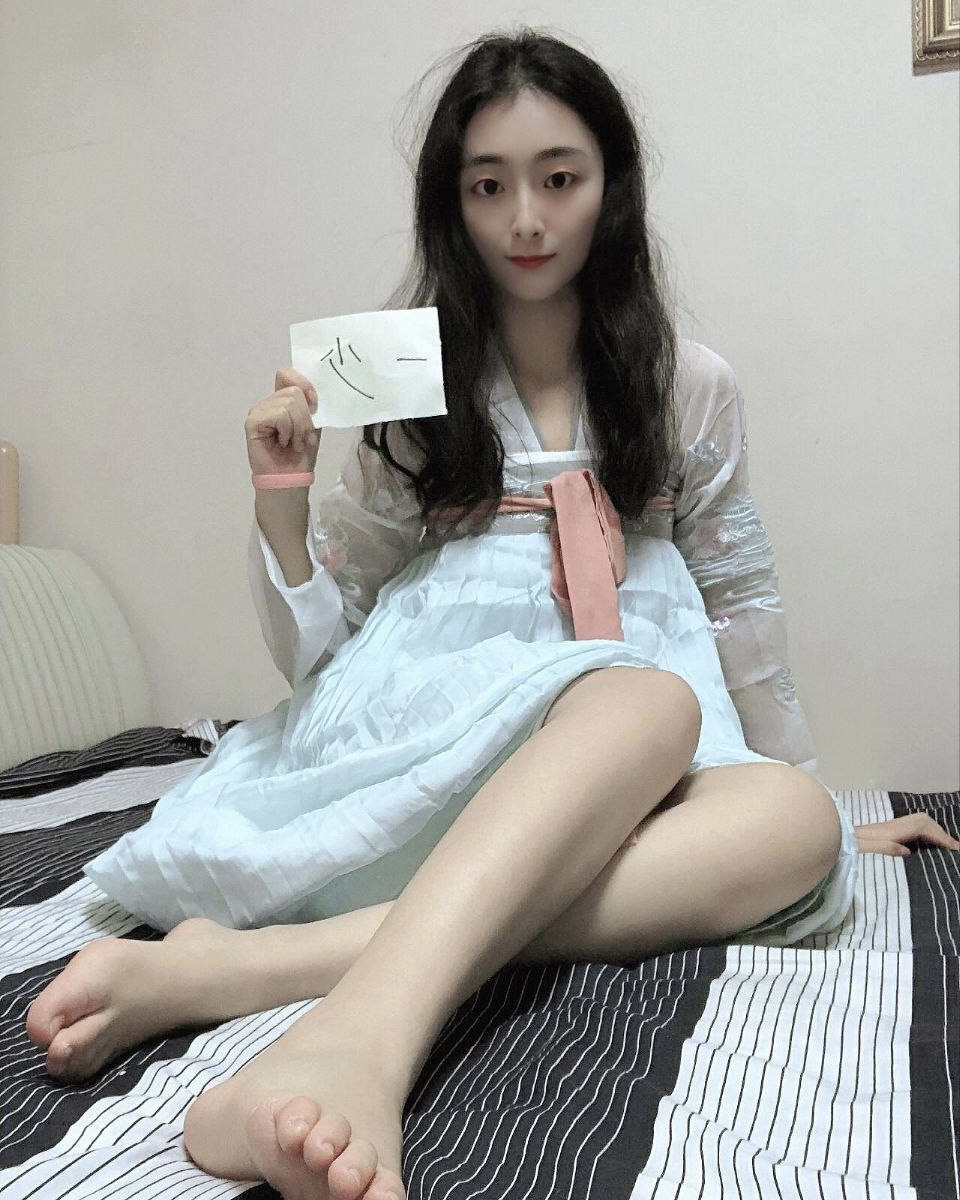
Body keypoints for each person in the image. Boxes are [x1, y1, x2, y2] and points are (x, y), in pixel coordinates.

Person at [25, 28, 959, 1200]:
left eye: (559, 178)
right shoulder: (411, 388)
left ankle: (248, 970)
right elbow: (322, 653)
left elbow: (739, 602)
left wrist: (806, 785)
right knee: (646, 700)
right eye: (488, 186)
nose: (525, 218)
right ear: (450, 202)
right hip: (442, 749)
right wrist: (281, 500)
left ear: (612, 185)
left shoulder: (688, 384)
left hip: (617, 777)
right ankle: (362, 1043)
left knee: (790, 827)